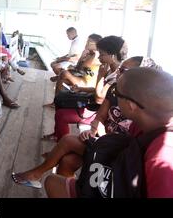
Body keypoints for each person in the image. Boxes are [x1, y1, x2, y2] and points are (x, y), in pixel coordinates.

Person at [12, 57, 160, 190]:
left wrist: (103, 139)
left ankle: (36, 174)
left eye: (123, 70)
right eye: (120, 68)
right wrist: (93, 130)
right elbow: (101, 116)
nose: (118, 72)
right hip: (104, 141)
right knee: (67, 161)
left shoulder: (146, 108)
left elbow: (99, 99)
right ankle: (68, 189)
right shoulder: (115, 90)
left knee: (68, 140)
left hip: (119, 154)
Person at [45, 67, 173, 198]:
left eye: (116, 92)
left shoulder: (163, 156)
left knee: (54, 182)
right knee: (57, 176)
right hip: (121, 178)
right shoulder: (144, 124)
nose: (113, 95)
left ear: (131, 105)